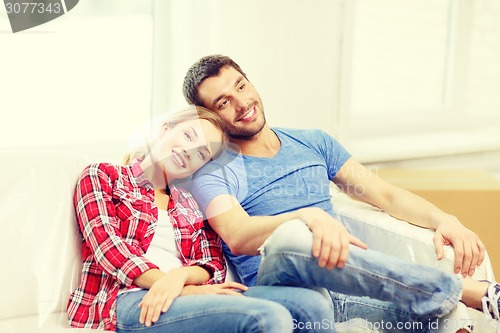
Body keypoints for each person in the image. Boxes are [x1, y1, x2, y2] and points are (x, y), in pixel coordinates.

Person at [182, 55, 500, 332]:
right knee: (290, 238)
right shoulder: (212, 171)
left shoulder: (313, 142)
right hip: (283, 289)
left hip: (347, 288)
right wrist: (307, 216)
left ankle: (456, 295)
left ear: (251, 83)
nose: (241, 103)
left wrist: (446, 219)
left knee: (453, 317)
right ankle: (469, 289)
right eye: (223, 102)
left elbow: (385, 196)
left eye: (241, 86)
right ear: (207, 116)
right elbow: (237, 235)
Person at [66, 105, 335, 333]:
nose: (188, 151)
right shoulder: (103, 175)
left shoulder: (190, 203)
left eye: (202, 153)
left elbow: (213, 263)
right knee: (267, 316)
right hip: (129, 298)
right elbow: (110, 250)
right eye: (187, 135)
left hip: (186, 291)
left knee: (311, 304)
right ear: (165, 129)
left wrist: (181, 277)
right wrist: (180, 288)